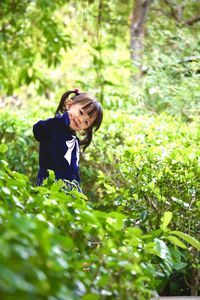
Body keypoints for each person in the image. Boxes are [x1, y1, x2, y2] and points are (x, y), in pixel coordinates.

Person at [33, 88, 103, 191]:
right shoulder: (56, 124)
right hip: (50, 182)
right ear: (69, 104)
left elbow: (73, 168)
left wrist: (76, 186)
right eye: (81, 112)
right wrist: (62, 120)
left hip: (69, 186)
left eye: (86, 122)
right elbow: (38, 130)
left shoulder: (74, 139)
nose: (80, 120)